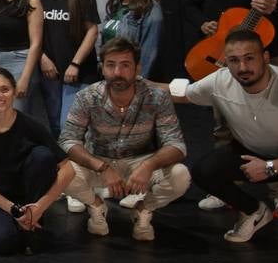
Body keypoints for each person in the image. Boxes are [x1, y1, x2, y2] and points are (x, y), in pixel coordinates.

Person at [167, 29, 278, 263]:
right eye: (234, 60)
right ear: (226, 62)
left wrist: (271, 167)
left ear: (265, 58)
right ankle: (254, 212)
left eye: (249, 58)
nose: (242, 67)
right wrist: (131, 83)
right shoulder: (221, 80)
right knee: (204, 171)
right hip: (251, 153)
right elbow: (183, 94)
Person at [60, 38, 190, 241]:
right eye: (111, 65)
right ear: (102, 68)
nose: (117, 72)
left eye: (125, 65)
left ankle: (143, 209)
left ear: (138, 67)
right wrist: (103, 167)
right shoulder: (87, 97)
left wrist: (148, 166)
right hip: (99, 160)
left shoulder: (157, 97)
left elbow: (177, 145)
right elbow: (68, 140)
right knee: (60, 173)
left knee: (180, 176)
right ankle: (96, 205)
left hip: (140, 160)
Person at [0, 68, 75, 255]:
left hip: (28, 196)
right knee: (1, 242)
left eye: (5, 89)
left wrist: (41, 206)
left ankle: (32, 219)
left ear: (15, 92)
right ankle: (26, 226)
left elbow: (68, 169)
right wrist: (13, 210)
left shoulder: (30, 125)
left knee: (43, 155)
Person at [37, 0, 100, 135]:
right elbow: (31, 32)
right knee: (55, 124)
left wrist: (75, 63)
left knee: (70, 126)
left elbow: (92, 31)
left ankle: (77, 163)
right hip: (50, 72)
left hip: (78, 72)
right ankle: (62, 163)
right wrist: (42, 58)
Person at [99, 0, 163, 79]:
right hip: (110, 75)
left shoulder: (150, 8)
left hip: (131, 78)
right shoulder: (115, 5)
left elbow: (149, 52)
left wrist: (137, 81)